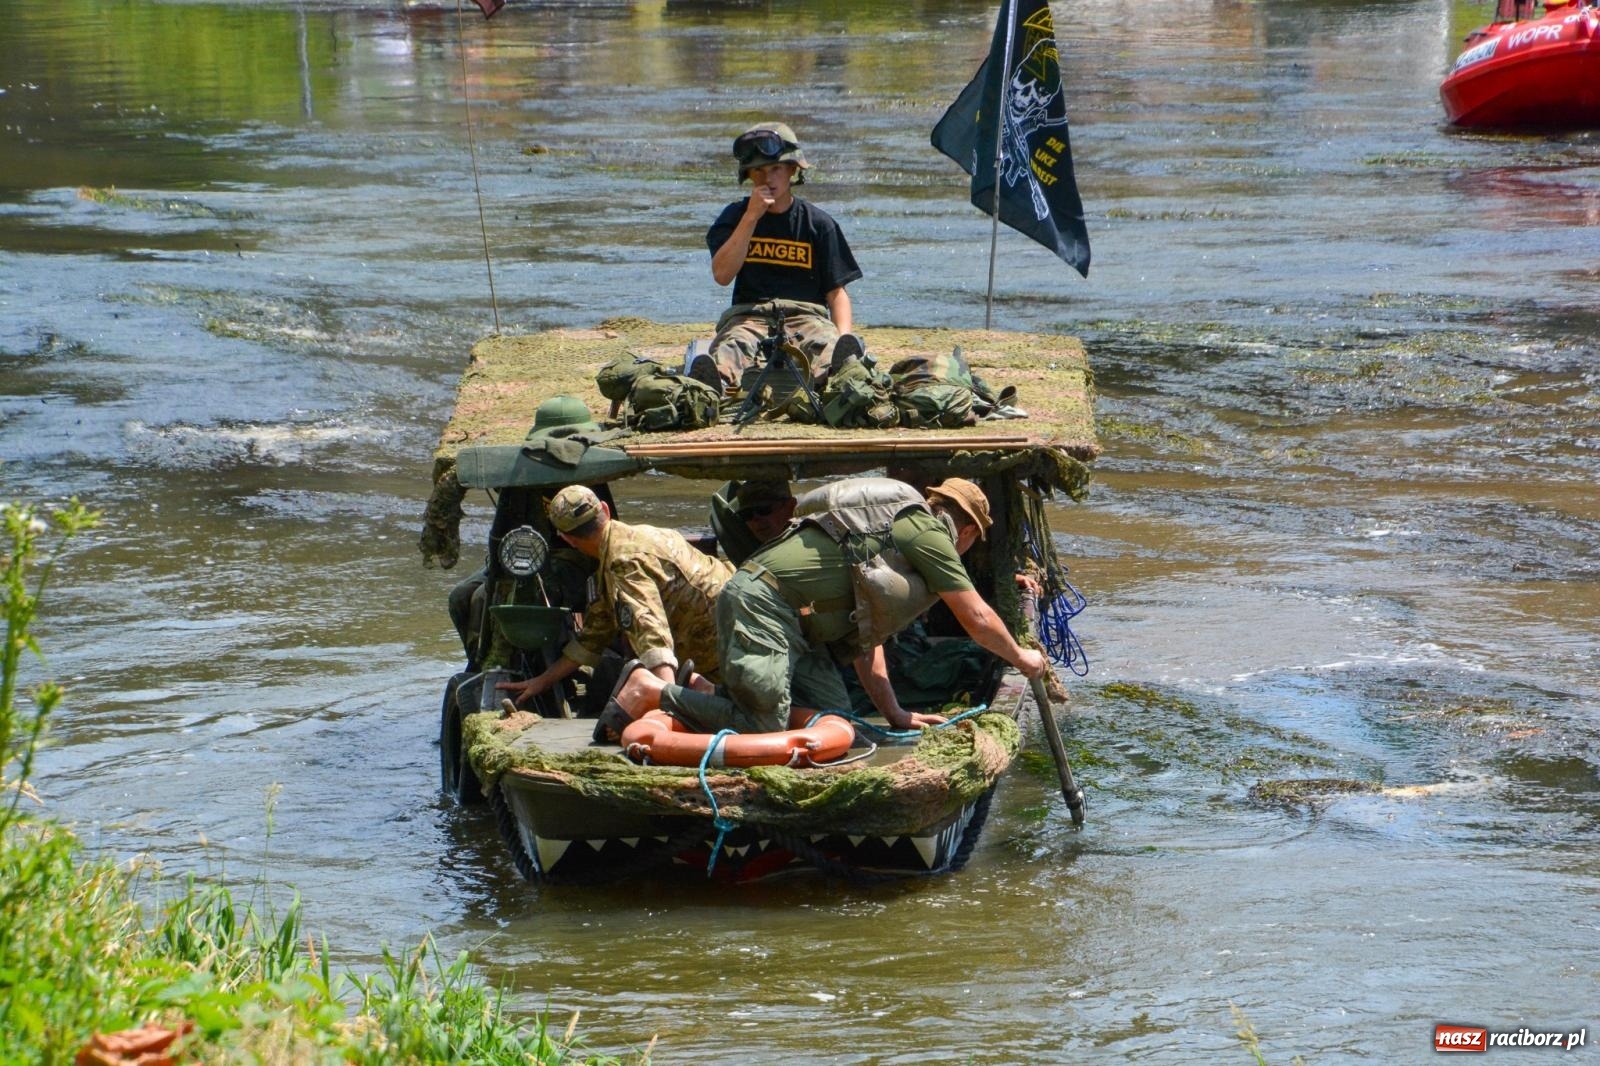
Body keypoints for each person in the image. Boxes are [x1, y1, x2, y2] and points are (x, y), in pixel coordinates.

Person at [635, 476, 1048, 735]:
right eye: (974, 540)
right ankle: (651, 692)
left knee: (835, 720)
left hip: (801, 626)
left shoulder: (893, 538)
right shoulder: (926, 532)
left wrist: (896, 713)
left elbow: (867, 642)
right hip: (762, 603)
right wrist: (1022, 657)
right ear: (969, 529)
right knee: (764, 723)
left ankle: (705, 692)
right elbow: (975, 616)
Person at [496, 484, 734, 725]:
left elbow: (652, 635)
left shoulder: (622, 563)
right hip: (740, 634)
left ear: (567, 539)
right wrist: (542, 681)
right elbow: (594, 635)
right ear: (606, 510)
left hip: (722, 661)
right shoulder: (647, 535)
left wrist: (668, 711)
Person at [693, 122, 866, 395]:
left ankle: (838, 374)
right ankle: (715, 385)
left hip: (807, 316)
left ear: (792, 170)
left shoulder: (819, 224)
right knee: (732, 347)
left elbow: (837, 293)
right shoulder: (734, 217)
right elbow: (722, 275)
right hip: (749, 317)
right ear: (748, 175)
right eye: (758, 171)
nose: (767, 179)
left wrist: (844, 337)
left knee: (828, 348)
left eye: (775, 169)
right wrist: (751, 217)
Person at [447, 395, 601, 661]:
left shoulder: (593, 474)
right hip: (523, 554)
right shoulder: (527, 469)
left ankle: (538, 657)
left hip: (574, 556)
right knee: (461, 597)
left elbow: (599, 532)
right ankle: (477, 659)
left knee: (485, 598)